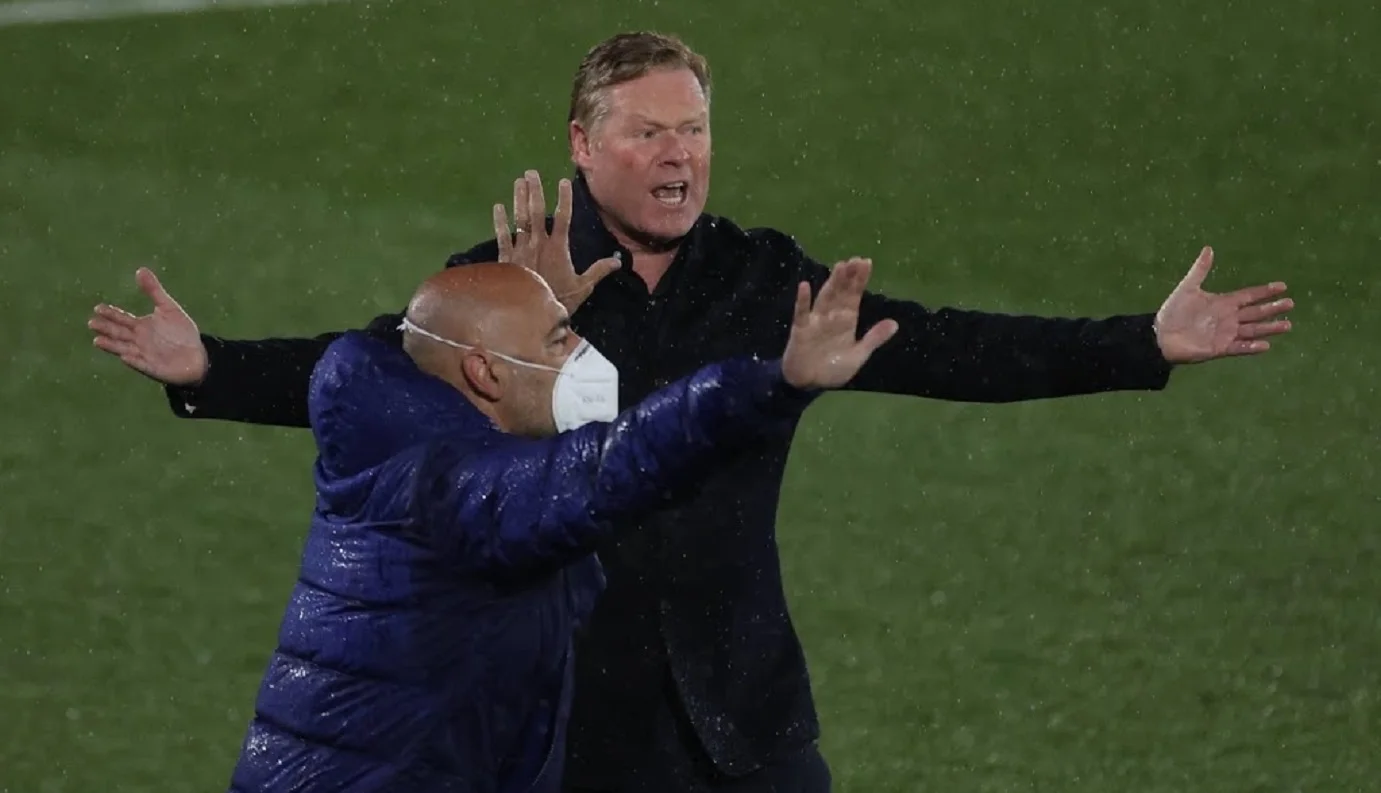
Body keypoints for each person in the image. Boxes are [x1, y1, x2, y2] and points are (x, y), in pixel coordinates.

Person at [88, 32, 1294, 792]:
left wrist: (1141, 340)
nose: (679, 155)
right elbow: (377, 373)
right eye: (649, 131)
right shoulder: (514, 282)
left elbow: (944, 345)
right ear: (583, 142)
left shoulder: (764, 279)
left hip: (741, 707)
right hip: (569, 713)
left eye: (696, 130)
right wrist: (212, 368)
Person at [227, 255, 897, 793]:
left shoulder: (401, 429)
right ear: (486, 372)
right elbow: (611, 466)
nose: (583, 350)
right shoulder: (464, 494)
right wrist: (769, 385)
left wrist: (528, 309)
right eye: (559, 337)